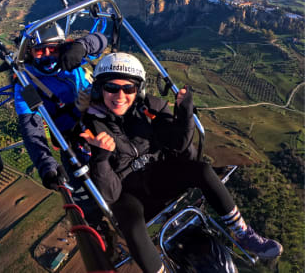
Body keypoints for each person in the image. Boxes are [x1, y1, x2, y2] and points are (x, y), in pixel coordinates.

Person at [80, 52, 283, 273]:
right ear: (100, 89)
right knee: (133, 225)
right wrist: (100, 157)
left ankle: (244, 234)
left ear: (138, 90)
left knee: (203, 170)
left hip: (159, 176)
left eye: (128, 88)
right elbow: (108, 195)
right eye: (111, 87)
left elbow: (178, 144)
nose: (120, 95)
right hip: (125, 192)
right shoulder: (88, 127)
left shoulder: (150, 108)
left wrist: (184, 113)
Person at [14, 22, 107, 197]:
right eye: (41, 50)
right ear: (30, 52)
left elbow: (101, 40)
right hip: (71, 140)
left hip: (99, 120)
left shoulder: (70, 57)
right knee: (85, 191)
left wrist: (82, 46)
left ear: (61, 48)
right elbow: (32, 128)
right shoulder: (25, 84)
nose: (48, 55)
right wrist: (46, 165)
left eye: (53, 49)